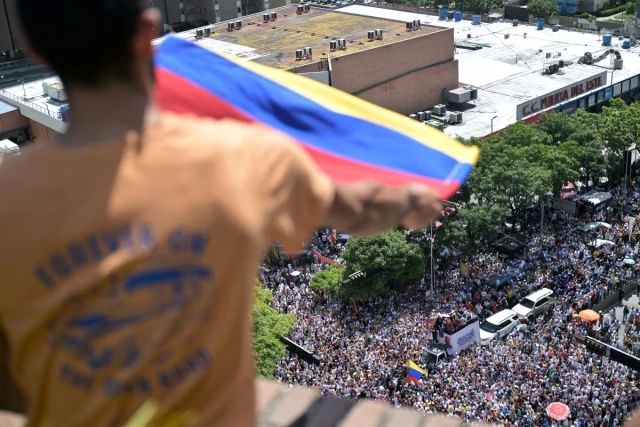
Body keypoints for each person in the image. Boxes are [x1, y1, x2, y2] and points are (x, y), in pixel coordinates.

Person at [0, 2, 443, 426]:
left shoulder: (9, 199)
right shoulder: (244, 157)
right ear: (147, 29)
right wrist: (410, 201)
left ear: (35, 49)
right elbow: (358, 209)